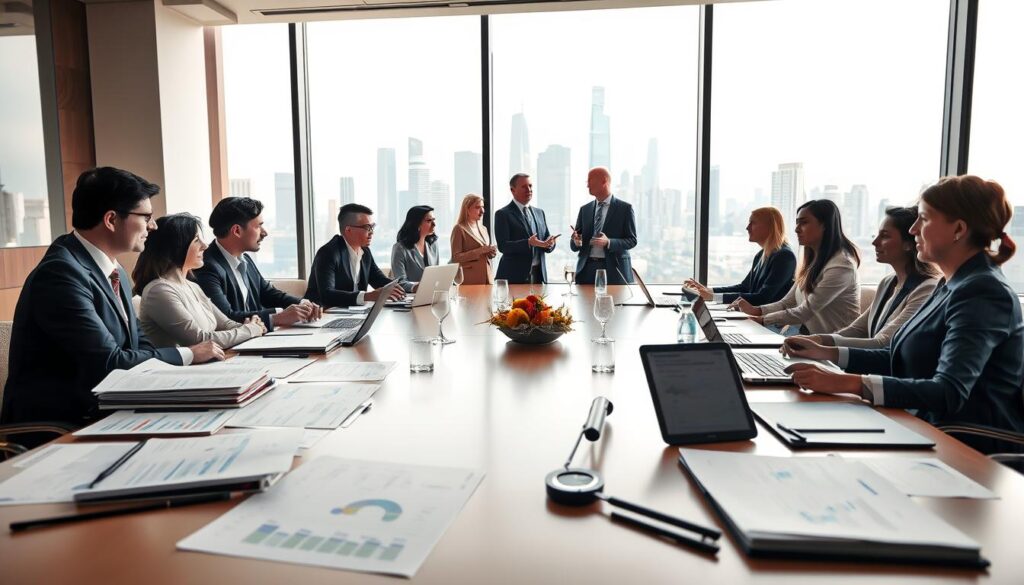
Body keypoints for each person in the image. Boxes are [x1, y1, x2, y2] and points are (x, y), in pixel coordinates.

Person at [784, 176, 1024, 454]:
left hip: (962, 441)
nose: (913, 229)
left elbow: (949, 392)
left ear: (958, 229)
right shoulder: (950, 283)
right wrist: (825, 353)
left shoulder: (983, 291)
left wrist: (850, 383)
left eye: (923, 219)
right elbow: (897, 357)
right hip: (920, 423)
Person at [1, 167, 221, 430]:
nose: (153, 225)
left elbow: (140, 346)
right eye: (146, 216)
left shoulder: (115, 272)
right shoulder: (60, 274)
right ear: (111, 220)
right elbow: (108, 363)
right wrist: (188, 354)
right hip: (61, 425)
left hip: (110, 408)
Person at [784, 206, 939, 350]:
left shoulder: (926, 289)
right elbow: (858, 329)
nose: (874, 242)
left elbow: (883, 342)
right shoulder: (888, 282)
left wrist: (820, 346)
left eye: (884, 236)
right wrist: (817, 340)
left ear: (909, 244)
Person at [135, 214, 266, 349]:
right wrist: (251, 330)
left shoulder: (193, 286)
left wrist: (251, 326)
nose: (205, 245)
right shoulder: (159, 291)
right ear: (177, 246)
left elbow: (226, 324)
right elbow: (199, 340)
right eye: (197, 240)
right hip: (179, 369)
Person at [733, 199, 860, 335]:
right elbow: (787, 302)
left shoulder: (841, 265)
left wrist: (762, 319)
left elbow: (806, 311)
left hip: (832, 346)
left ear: (825, 225)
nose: (796, 229)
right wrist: (756, 310)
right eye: (797, 223)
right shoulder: (813, 262)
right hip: (809, 338)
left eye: (804, 222)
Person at [193, 197, 321, 331]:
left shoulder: (245, 259)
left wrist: (303, 304)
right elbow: (226, 317)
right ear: (237, 231)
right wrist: (278, 317)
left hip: (256, 338)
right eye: (259, 226)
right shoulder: (206, 266)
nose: (265, 232)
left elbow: (268, 293)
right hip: (232, 347)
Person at [684, 207, 796, 305]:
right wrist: (709, 291)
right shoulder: (761, 255)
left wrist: (712, 297)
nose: (747, 227)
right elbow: (745, 287)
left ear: (770, 227)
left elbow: (763, 298)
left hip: (771, 324)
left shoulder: (785, 257)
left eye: (753, 223)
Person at [305, 203, 406, 307]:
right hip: (320, 314)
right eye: (367, 227)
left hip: (352, 313)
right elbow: (327, 295)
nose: (372, 232)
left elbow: (379, 280)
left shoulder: (365, 252)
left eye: (372, 227)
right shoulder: (328, 252)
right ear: (348, 230)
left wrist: (408, 288)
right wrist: (368, 296)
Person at [570, 167, 637, 285]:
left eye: (589, 181)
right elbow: (574, 245)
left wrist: (609, 242)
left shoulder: (625, 209)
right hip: (586, 270)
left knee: (614, 303)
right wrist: (576, 240)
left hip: (615, 270)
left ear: (604, 181)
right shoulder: (585, 209)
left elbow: (632, 240)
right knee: (585, 303)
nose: (587, 186)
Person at [494, 173, 558, 284]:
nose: (529, 189)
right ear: (512, 190)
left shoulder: (539, 213)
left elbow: (545, 240)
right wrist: (528, 243)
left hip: (539, 275)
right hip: (514, 276)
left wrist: (550, 244)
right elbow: (503, 246)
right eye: (524, 186)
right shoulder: (502, 214)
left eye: (530, 186)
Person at [391, 205, 440, 293]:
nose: (434, 224)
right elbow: (400, 282)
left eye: (434, 220)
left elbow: (436, 275)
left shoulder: (433, 245)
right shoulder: (400, 249)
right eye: (429, 221)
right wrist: (415, 287)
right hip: (410, 298)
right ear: (417, 224)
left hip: (432, 295)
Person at [450, 194, 497, 285]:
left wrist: (491, 252)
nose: (482, 211)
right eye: (477, 207)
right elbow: (455, 258)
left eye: (483, 207)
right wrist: (480, 251)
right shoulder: (459, 229)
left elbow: (486, 255)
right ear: (467, 209)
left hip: (488, 278)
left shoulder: (483, 229)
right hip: (469, 279)